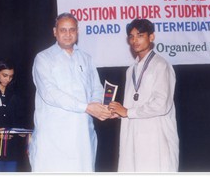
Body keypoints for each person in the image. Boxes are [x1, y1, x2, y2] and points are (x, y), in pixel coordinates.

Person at [29, 12, 111, 172]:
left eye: (72, 30)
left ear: (77, 32)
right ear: (55, 32)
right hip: (53, 139)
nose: (68, 34)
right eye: (63, 30)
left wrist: (99, 107)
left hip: (82, 140)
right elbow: (50, 93)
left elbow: (96, 88)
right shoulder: (43, 58)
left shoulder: (86, 59)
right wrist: (86, 107)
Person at [108, 18, 179, 172]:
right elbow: (134, 103)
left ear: (151, 37)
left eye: (140, 35)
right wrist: (120, 113)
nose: (135, 40)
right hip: (133, 136)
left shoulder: (161, 65)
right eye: (131, 37)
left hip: (156, 137)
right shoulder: (131, 70)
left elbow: (161, 104)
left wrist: (128, 112)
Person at [0, 60, 27, 172]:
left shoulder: (16, 93)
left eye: (11, 76)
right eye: (5, 75)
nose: (8, 79)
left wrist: (21, 131)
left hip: (11, 148)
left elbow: (20, 117)